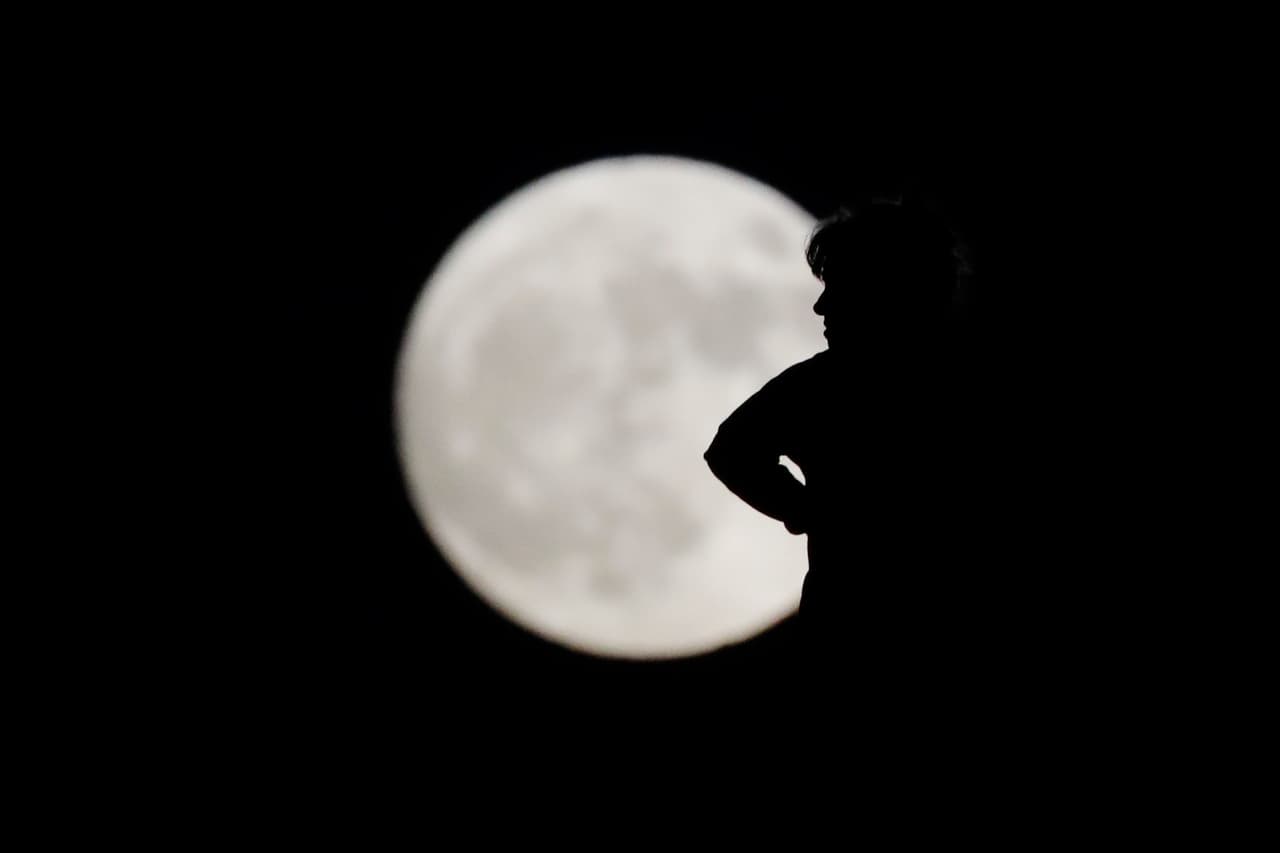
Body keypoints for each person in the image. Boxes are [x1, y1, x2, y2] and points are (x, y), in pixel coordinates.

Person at [704, 197, 976, 683]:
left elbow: (732, 450)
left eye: (840, 287)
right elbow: (731, 450)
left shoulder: (822, 386)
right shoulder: (821, 384)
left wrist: (811, 510)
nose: (821, 305)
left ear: (888, 290)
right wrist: (808, 510)